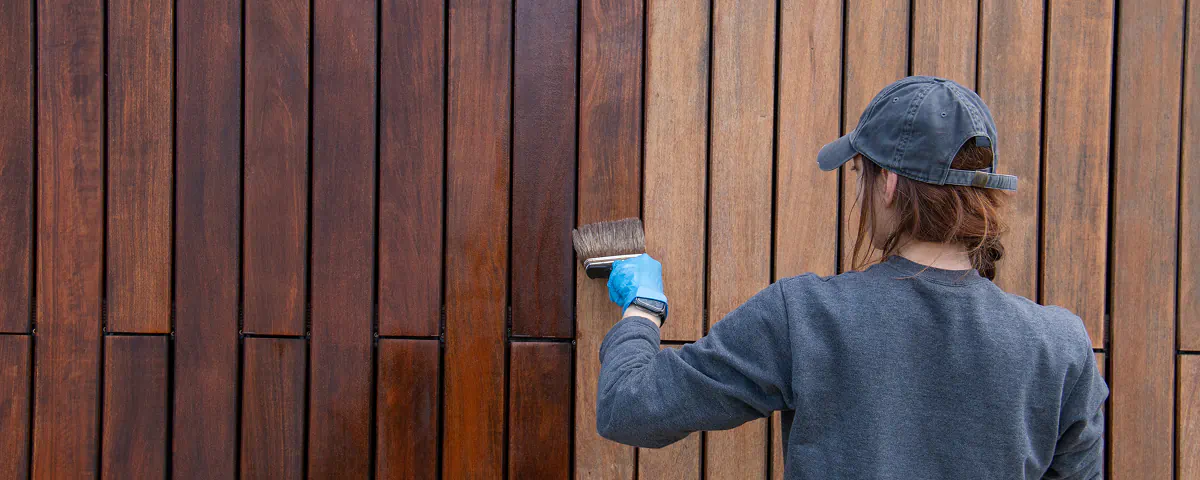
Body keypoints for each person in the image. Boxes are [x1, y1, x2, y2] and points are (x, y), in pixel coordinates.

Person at [596, 76, 1108, 479]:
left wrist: (643, 310)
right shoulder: (1061, 347)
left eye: (860, 174)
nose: (860, 193)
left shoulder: (805, 316)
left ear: (888, 184)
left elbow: (628, 407)